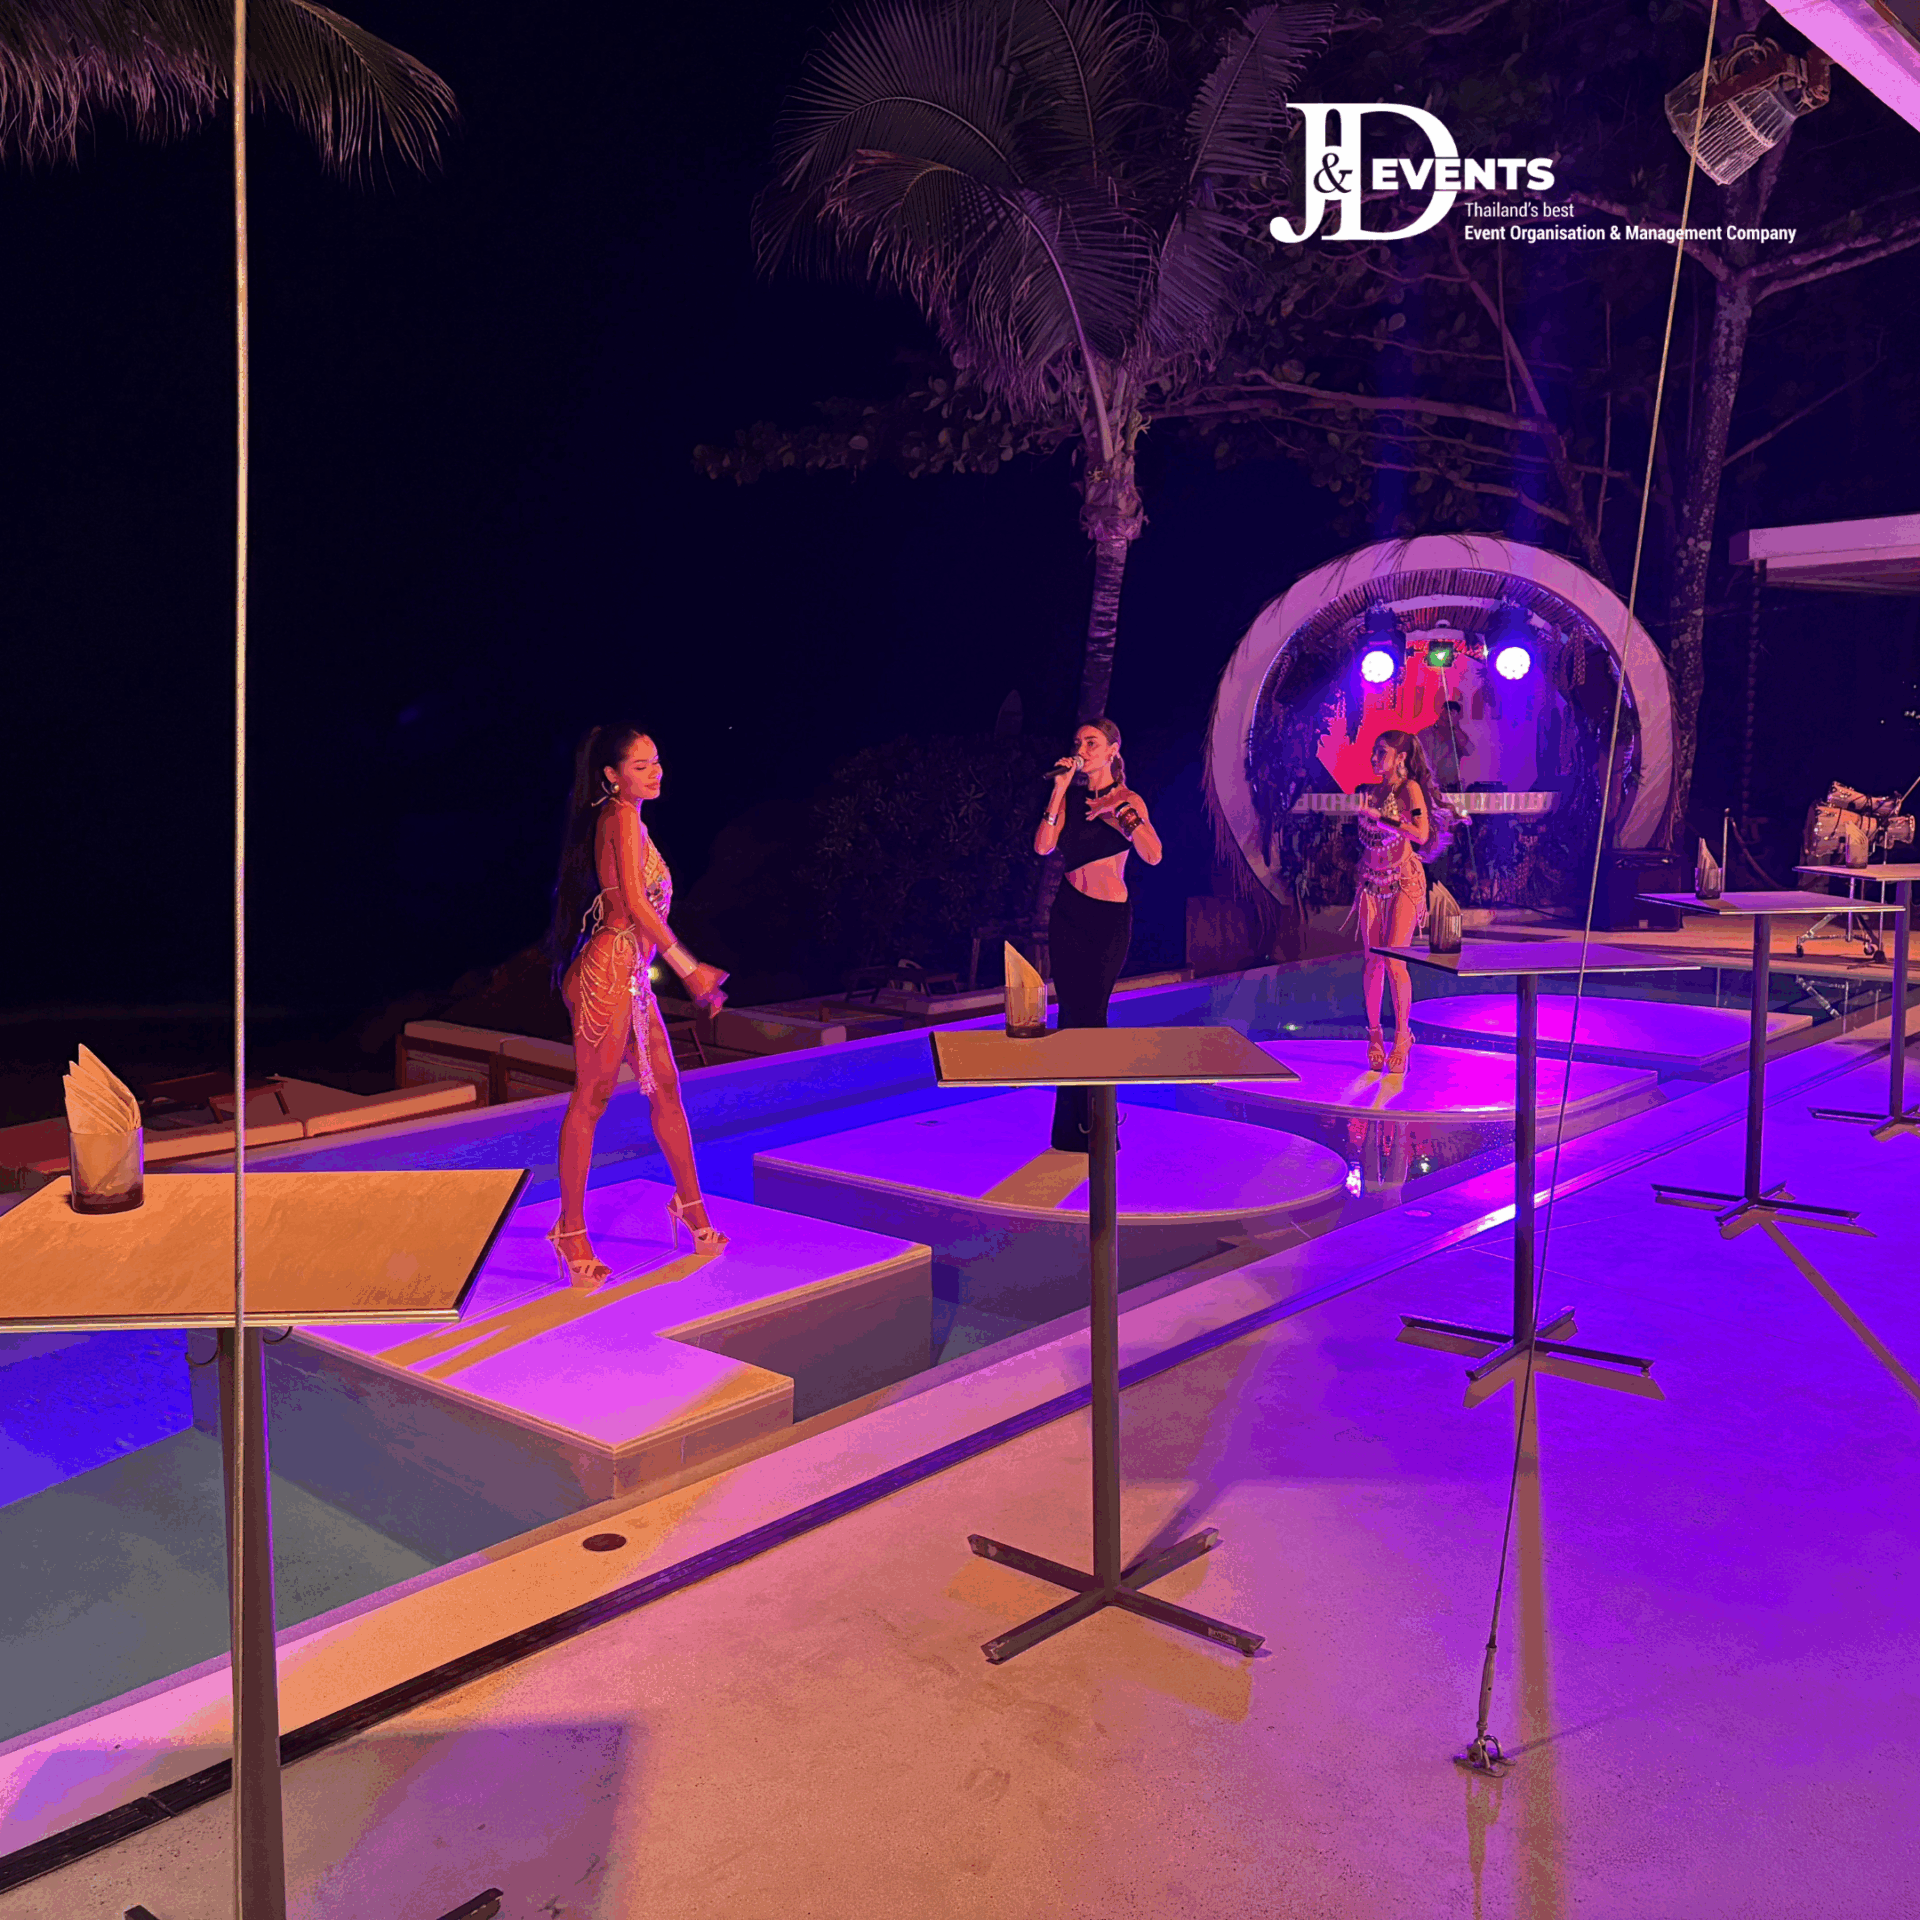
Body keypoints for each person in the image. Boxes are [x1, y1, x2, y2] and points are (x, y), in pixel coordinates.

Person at [544, 725, 731, 1287]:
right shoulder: (619, 818)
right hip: (608, 976)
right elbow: (635, 906)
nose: (656, 772)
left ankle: (689, 1205)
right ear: (612, 775)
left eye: (656, 762)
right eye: (642, 765)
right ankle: (570, 1229)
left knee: (667, 1087)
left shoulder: (632, 821)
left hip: (631, 978)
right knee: (592, 1097)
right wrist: (690, 969)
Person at [1034, 718, 1163, 1151]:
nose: (1083, 749)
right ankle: (1071, 1130)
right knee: (1071, 1015)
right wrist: (1058, 789)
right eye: (1079, 742)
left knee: (1093, 1013)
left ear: (1112, 750)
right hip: (1068, 913)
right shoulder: (1070, 798)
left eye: (1092, 742)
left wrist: (1120, 815)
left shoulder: (1128, 799)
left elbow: (1153, 855)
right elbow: (1043, 846)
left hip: (1108, 920)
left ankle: (1099, 1121)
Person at [1352, 729, 1439, 1075]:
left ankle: (1403, 1036)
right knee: (1372, 961)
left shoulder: (1410, 790)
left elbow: (1420, 833)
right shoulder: (1371, 792)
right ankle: (1374, 1035)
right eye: (1374, 752)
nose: (1374, 758)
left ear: (1401, 757)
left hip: (1403, 881)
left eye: (1382, 752)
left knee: (1394, 960)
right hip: (1371, 883)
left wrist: (1381, 818)